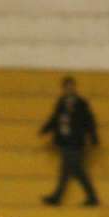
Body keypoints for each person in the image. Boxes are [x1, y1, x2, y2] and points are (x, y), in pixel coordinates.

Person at [39, 76, 100, 207]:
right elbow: (55, 119)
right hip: (64, 142)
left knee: (72, 171)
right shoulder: (61, 103)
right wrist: (46, 129)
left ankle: (59, 197)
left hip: (76, 142)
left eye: (71, 86)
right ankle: (88, 197)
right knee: (73, 171)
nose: (69, 89)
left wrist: (94, 137)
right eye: (67, 87)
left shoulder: (81, 104)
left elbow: (89, 121)